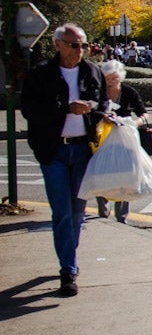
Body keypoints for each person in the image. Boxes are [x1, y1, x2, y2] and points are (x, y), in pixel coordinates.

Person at [20, 23, 109, 297]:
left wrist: (95, 110)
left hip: (83, 150)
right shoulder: (40, 75)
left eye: (83, 45)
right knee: (62, 212)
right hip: (53, 151)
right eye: (74, 45)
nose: (79, 50)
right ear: (58, 44)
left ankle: (68, 255)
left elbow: (103, 102)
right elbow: (30, 111)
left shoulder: (92, 71)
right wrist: (66, 109)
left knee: (78, 212)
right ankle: (68, 270)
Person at [95, 60, 148, 224]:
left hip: (124, 139)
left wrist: (134, 123)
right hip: (102, 138)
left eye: (114, 78)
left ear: (121, 78)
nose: (110, 82)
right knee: (101, 174)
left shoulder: (129, 92)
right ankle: (103, 206)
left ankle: (121, 215)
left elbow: (144, 114)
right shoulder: (98, 93)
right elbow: (91, 112)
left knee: (124, 176)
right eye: (107, 79)